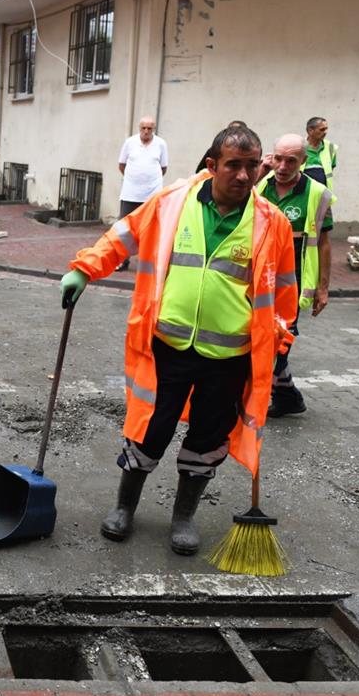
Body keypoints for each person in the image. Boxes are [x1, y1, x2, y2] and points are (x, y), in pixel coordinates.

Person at [59, 125, 297, 556]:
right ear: (212, 165)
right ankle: (124, 507)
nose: (244, 176)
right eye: (233, 166)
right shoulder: (172, 202)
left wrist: (281, 334)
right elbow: (124, 235)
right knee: (149, 429)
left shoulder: (271, 222)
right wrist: (84, 269)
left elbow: (282, 287)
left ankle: (183, 516)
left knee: (208, 438)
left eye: (251, 166)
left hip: (229, 356)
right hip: (166, 347)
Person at [257, 133, 335, 418]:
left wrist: (323, 289)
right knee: (259, 336)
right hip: (259, 277)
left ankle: (260, 397)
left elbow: (324, 243)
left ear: (303, 161)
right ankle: (288, 396)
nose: (282, 166)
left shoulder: (316, 193)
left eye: (291, 160)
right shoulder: (261, 184)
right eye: (278, 158)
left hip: (294, 281)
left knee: (280, 340)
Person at [116, 117, 169, 271]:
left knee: (150, 229)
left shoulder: (161, 144)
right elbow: (121, 165)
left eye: (149, 128)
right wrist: (134, 179)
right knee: (125, 229)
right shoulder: (130, 142)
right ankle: (122, 260)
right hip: (130, 193)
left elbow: (163, 168)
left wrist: (149, 180)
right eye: (143, 128)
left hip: (152, 195)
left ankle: (146, 262)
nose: (146, 131)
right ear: (139, 128)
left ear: (154, 129)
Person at [303, 116, 337, 189]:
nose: (325, 132)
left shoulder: (331, 148)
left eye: (326, 129)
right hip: (302, 192)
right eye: (322, 129)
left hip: (324, 193)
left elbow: (331, 169)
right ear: (310, 130)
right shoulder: (299, 146)